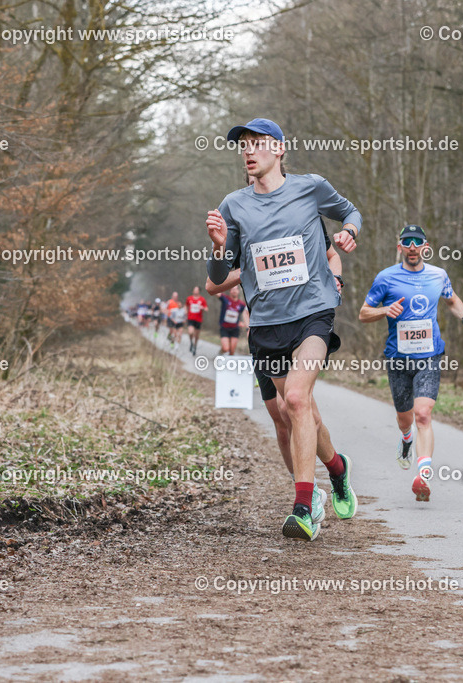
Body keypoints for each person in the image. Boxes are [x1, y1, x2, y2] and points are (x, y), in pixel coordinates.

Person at [206, 117, 361, 541]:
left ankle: (304, 507)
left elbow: (349, 211)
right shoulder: (234, 205)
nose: (248, 152)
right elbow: (218, 279)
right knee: (296, 414)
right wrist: (220, 247)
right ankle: (338, 468)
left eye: (256, 144)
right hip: (268, 322)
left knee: (295, 397)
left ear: (278, 148)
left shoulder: (310, 187)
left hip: (313, 312)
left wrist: (349, 231)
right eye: (243, 146)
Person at [359, 224, 463, 502]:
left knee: (423, 414)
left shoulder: (438, 275)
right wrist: (384, 310)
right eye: (407, 241)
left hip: (430, 355)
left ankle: (423, 474)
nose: (412, 246)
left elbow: (452, 300)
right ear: (400, 246)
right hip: (398, 358)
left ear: (426, 246)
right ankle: (406, 440)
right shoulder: (386, 278)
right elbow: (363, 314)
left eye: (418, 242)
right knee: (406, 418)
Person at [217, 286, 249, 355]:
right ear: (230, 291)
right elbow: (216, 292)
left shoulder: (241, 304)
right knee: (226, 348)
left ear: (238, 291)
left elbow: (246, 313)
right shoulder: (225, 299)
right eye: (232, 289)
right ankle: (221, 352)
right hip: (224, 327)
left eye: (236, 289)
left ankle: (228, 364)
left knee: (232, 351)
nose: (234, 291)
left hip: (235, 329)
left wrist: (244, 323)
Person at [185, 286, 209, 355]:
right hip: (190, 318)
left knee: (196, 335)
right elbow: (186, 306)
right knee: (190, 332)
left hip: (198, 320)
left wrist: (203, 308)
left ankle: (195, 346)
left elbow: (207, 309)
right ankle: (191, 343)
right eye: (194, 289)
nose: (195, 291)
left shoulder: (202, 299)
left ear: (199, 291)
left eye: (196, 290)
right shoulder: (189, 298)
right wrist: (186, 311)